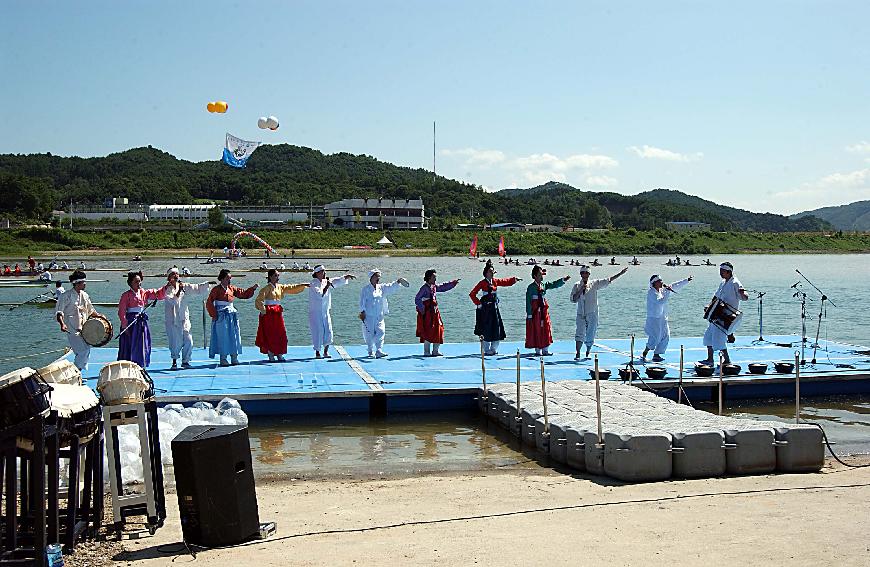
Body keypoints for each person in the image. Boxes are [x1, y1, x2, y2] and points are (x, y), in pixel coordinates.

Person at [570, 264, 628, 360]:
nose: (584, 275)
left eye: (586, 273)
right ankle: (578, 353)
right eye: (583, 273)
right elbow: (573, 299)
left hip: (592, 312)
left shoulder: (594, 283)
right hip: (581, 313)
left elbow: (608, 280)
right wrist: (580, 290)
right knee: (579, 332)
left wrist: (620, 273)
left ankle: (588, 351)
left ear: (589, 274)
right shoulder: (576, 285)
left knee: (591, 333)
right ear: (580, 274)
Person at [699, 262, 748, 366]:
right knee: (708, 337)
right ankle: (710, 359)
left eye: (722, 271)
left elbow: (744, 297)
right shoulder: (722, 283)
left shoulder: (735, 283)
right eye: (720, 271)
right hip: (716, 314)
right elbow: (716, 297)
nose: (720, 273)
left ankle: (727, 361)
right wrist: (709, 306)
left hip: (726, 317)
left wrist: (743, 293)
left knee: (719, 339)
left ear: (728, 272)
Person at [206, 269, 258, 367]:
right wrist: (214, 315)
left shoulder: (232, 288)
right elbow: (209, 302)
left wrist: (252, 289)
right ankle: (223, 358)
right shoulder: (216, 289)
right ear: (221, 279)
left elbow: (243, 294)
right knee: (223, 336)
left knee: (234, 335)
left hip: (231, 315)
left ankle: (234, 356)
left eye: (230, 278)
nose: (229, 280)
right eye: (227, 278)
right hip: (221, 316)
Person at [117, 271, 168, 368]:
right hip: (131, 322)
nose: (139, 284)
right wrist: (125, 325)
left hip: (141, 322)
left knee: (143, 343)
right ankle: (127, 365)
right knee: (129, 344)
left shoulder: (144, 293)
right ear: (130, 283)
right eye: (136, 282)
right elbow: (121, 312)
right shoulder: (126, 295)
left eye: (140, 281)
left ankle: (141, 364)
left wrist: (167, 287)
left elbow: (158, 294)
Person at [469, 260, 521, 356]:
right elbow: (472, 294)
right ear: (485, 273)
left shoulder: (495, 281)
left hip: (494, 309)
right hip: (485, 310)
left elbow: (505, 282)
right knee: (486, 328)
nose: (492, 273)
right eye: (490, 271)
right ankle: (486, 349)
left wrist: (514, 279)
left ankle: (494, 348)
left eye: (493, 271)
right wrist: (478, 304)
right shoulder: (482, 283)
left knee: (496, 327)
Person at [255, 269, 307, 362]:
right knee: (270, 333)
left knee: (280, 333)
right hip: (269, 313)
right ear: (270, 277)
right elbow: (259, 300)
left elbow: (291, 287)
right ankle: (271, 353)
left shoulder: (280, 287)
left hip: (277, 313)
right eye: (275, 276)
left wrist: (302, 285)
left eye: (278, 275)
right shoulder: (266, 289)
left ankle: (279, 353)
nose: (277, 277)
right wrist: (263, 310)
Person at [164, 268, 212, 370]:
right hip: (173, 320)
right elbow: (173, 301)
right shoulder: (166, 290)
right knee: (175, 341)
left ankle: (185, 361)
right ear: (169, 277)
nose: (176, 276)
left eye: (177, 274)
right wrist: (180, 290)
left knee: (189, 339)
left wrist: (207, 284)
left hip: (184, 318)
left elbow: (196, 288)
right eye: (173, 274)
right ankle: (174, 361)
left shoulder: (184, 286)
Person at [55, 270, 102, 370]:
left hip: (84, 328)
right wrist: (62, 324)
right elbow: (59, 312)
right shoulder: (65, 296)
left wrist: (99, 316)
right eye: (83, 282)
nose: (85, 284)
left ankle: (78, 372)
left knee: (86, 350)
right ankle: (75, 372)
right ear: (76, 283)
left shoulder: (85, 295)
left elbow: (91, 310)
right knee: (82, 351)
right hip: (71, 327)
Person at [641, 274, 692, 362]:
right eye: (659, 281)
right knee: (655, 338)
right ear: (654, 283)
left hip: (662, 318)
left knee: (666, 336)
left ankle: (657, 354)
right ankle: (645, 352)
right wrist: (668, 292)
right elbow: (660, 302)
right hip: (654, 319)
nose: (662, 282)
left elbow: (675, 286)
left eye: (661, 280)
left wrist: (686, 280)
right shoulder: (651, 293)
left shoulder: (662, 291)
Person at [359, 269, 409, 358]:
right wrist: (362, 312)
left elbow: (390, 287)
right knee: (369, 333)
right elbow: (362, 301)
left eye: (379, 277)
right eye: (376, 276)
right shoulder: (365, 289)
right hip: (369, 315)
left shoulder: (381, 288)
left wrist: (398, 282)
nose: (378, 278)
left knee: (381, 331)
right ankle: (370, 350)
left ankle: (379, 350)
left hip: (379, 315)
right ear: (371, 277)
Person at [308, 265, 355, 358]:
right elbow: (319, 294)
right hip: (316, 312)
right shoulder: (313, 283)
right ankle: (317, 352)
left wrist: (347, 276)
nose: (324, 273)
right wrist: (327, 285)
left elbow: (338, 280)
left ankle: (325, 352)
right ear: (317, 273)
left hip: (325, 311)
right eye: (322, 271)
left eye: (324, 271)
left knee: (328, 330)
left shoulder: (326, 281)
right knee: (318, 331)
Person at [525, 265, 570, 356]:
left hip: (543, 310)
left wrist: (563, 280)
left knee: (546, 327)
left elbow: (553, 284)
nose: (542, 276)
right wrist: (529, 314)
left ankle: (545, 349)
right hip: (535, 312)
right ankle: (538, 349)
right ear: (534, 276)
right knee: (536, 329)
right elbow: (528, 301)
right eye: (539, 274)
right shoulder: (531, 287)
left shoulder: (544, 285)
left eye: (542, 274)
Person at [415, 269, 460, 357]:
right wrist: (422, 308)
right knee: (428, 331)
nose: (435, 279)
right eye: (434, 277)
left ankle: (435, 350)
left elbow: (443, 287)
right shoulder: (424, 288)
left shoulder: (434, 287)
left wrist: (453, 283)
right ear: (429, 278)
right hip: (428, 313)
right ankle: (426, 351)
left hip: (435, 313)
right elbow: (417, 298)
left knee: (439, 329)